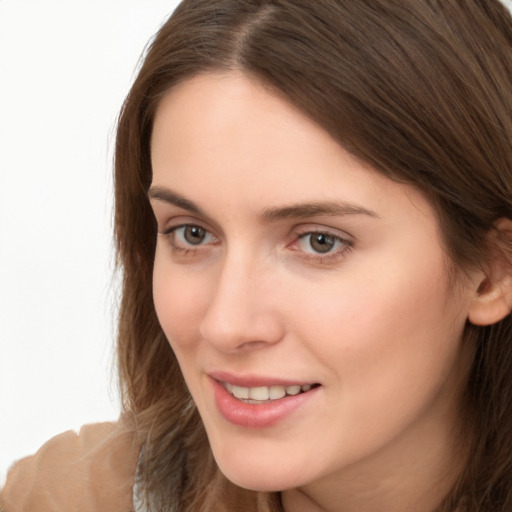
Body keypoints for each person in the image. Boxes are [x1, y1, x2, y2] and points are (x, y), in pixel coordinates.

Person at [3, 0, 512, 510]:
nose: (226, 325)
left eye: (320, 242)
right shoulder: (70, 498)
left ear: (494, 272)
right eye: (193, 234)